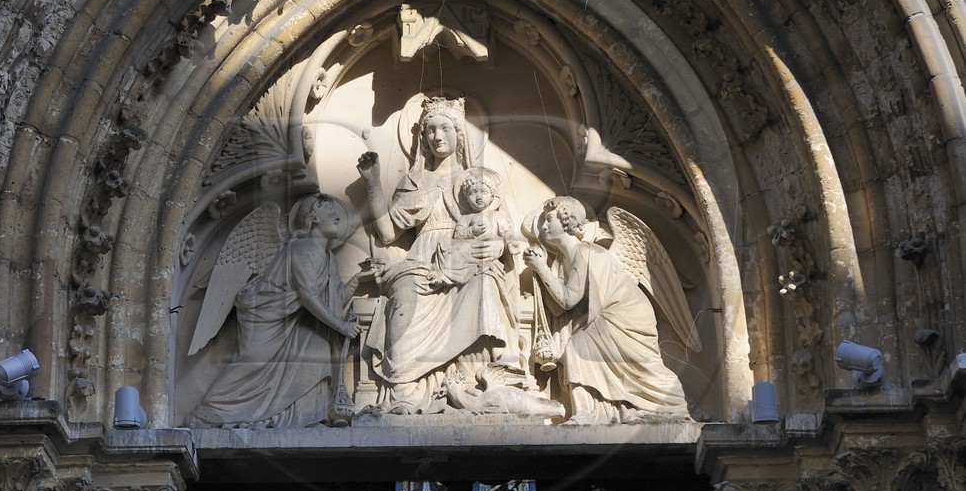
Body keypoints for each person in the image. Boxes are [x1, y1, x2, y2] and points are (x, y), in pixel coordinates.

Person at [357, 98, 521, 409]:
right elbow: (388, 233)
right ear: (422, 138)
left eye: (444, 128)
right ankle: (404, 390)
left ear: (460, 134)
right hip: (422, 262)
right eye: (430, 130)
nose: (437, 136)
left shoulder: (477, 182)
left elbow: (502, 227)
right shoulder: (415, 181)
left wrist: (500, 247)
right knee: (404, 294)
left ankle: (474, 383)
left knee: (485, 282)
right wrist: (373, 183)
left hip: (467, 259)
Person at [189, 193, 359, 427]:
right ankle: (207, 412)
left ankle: (302, 415)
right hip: (265, 311)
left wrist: (357, 281)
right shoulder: (301, 248)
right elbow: (308, 296)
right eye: (329, 212)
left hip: (291, 319)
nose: (336, 216)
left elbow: (334, 301)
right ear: (314, 218)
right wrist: (341, 326)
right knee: (254, 361)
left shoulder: (329, 258)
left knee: (318, 349)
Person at [524, 197, 690, 424]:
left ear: (566, 220)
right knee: (577, 346)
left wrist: (541, 268)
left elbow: (567, 300)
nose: (543, 227)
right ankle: (592, 412)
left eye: (549, 220)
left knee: (582, 348)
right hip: (605, 317)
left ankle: (669, 401)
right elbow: (557, 309)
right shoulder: (561, 262)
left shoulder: (587, 251)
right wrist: (541, 270)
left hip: (625, 313)